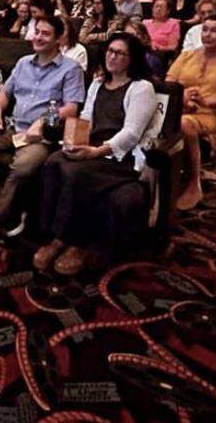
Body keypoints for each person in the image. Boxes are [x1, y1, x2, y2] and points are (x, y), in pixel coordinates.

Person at [34, 33, 158, 275]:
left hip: (120, 157)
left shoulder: (142, 88)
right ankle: (51, 233)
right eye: (110, 51)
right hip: (92, 149)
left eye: (120, 53)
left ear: (132, 59)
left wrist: (95, 152)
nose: (113, 56)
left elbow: (132, 133)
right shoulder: (98, 83)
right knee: (53, 161)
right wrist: (74, 143)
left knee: (75, 172)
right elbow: (87, 120)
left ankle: (74, 242)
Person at [0, 15, 86, 236]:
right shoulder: (22, 62)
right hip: (11, 127)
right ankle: (10, 199)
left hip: (40, 135)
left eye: (45, 33)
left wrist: (42, 120)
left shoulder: (70, 68)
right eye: (36, 32)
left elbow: (72, 107)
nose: (38, 37)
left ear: (58, 39)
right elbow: (3, 94)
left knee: (24, 166)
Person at [166, 15, 216, 210]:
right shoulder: (187, 55)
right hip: (182, 109)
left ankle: (194, 183)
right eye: (205, 29)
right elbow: (169, 82)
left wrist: (209, 101)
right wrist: (183, 95)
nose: (208, 34)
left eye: (214, 30)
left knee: (185, 123)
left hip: (214, 116)